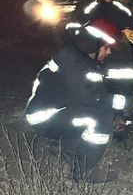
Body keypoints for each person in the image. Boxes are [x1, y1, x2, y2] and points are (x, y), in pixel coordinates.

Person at [25, 18, 127, 181]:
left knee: (98, 111)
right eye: (107, 47)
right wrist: (122, 106)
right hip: (46, 118)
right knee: (100, 117)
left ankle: (63, 146)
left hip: (55, 112)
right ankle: (84, 171)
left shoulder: (79, 59)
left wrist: (117, 112)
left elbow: (95, 93)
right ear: (94, 44)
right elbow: (90, 98)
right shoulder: (74, 62)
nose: (109, 53)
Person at [66, 0, 133, 136]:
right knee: (98, 93)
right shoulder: (86, 8)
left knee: (123, 94)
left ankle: (122, 124)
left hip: (122, 61)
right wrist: (89, 39)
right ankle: (100, 123)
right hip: (95, 61)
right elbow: (72, 30)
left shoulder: (122, 9)